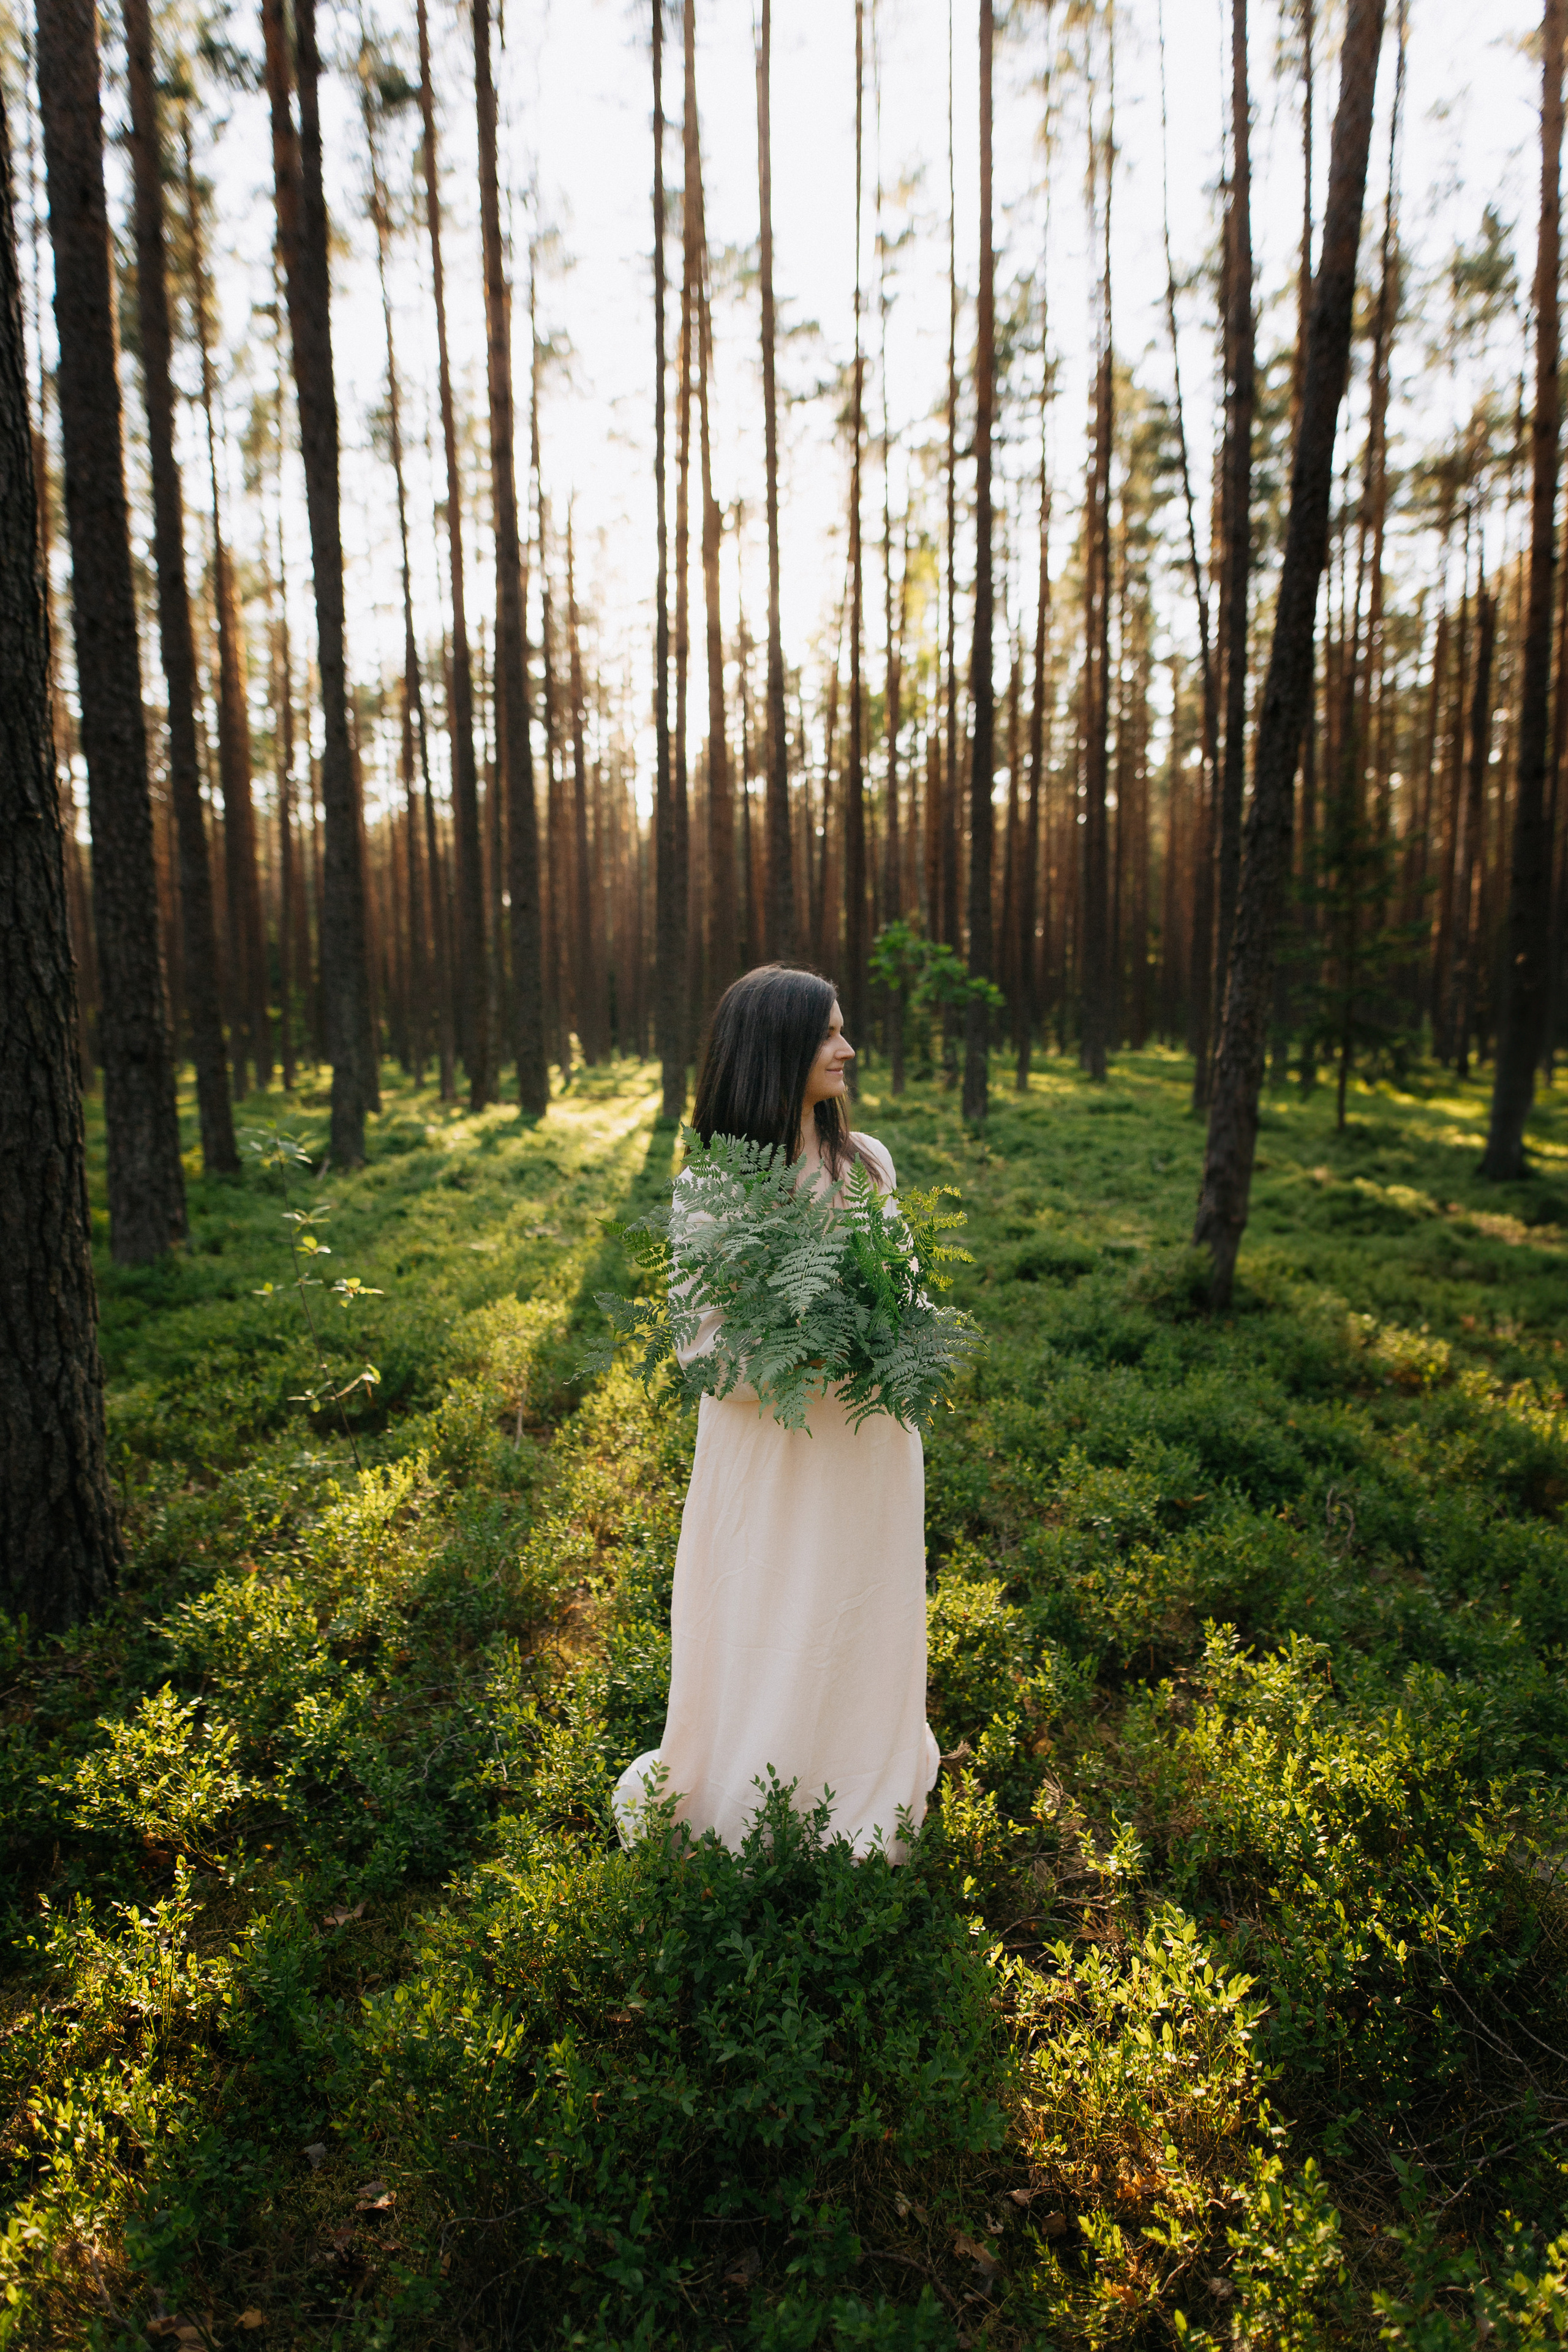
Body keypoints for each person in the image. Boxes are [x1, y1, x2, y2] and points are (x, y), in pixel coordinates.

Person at [613, 963, 940, 1859]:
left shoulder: (867, 1162)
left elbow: (903, 1292)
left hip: (869, 1444)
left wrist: (895, 1327)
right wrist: (813, 1345)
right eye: (828, 1033)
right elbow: (705, 1352)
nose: (847, 1047)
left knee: (860, 1607)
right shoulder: (713, 1192)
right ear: (776, 1051)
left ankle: (858, 1779)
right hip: (774, 1449)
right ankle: (761, 1787)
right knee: (775, 1610)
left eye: (843, 1029)